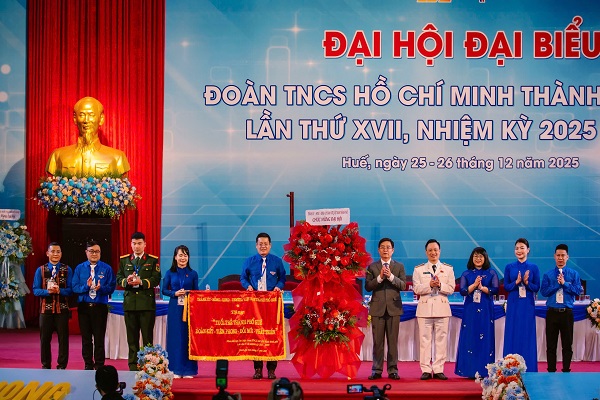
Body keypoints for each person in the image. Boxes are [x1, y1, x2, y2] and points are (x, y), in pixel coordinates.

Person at [46, 96, 130, 177]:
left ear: (101, 119)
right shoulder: (57, 155)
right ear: (75, 118)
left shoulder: (117, 157)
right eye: (82, 115)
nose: (86, 120)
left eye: (91, 115)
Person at [240, 232, 286, 380]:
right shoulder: (249, 261)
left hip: (272, 303)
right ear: (256, 245)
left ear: (270, 245)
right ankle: (258, 369)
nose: (263, 246)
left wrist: (278, 286)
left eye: (266, 244)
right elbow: (243, 278)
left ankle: (271, 369)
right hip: (256, 304)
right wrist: (247, 286)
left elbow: (282, 278)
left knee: (272, 335)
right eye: (260, 244)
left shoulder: (277, 261)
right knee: (257, 335)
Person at [117, 231, 161, 371]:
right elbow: (118, 278)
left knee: (147, 338)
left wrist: (141, 281)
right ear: (131, 244)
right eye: (134, 243)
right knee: (132, 339)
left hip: (146, 304)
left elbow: (156, 279)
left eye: (139, 243)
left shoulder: (152, 260)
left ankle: (148, 365)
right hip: (130, 305)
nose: (137, 246)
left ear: (145, 244)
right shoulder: (124, 260)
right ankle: (133, 366)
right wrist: (127, 281)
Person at [412, 239, 455, 380]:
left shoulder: (448, 269)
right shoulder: (419, 269)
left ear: (439, 251)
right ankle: (425, 369)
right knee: (424, 341)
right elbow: (416, 289)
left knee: (441, 340)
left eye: (435, 250)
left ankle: (438, 369)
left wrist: (440, 285)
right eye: (430, 250)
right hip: (424, 309)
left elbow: (451, 288)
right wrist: (429, 285)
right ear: (426, 252)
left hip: (442, 309)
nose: (433, 252)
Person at [364, 237, 406, 380]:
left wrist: (391, 277)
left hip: (394, 308)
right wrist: (380, 277)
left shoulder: (399, 266)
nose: (385, 250)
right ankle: (376, 370)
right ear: (378, 250)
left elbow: (403, 285)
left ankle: (393, 370)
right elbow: (368, 287)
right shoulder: (372, 267)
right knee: (378, 342)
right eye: (382, 247)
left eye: (388, 247)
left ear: (393, 250)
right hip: (377, 308)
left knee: (392, 341)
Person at [455, 247, 499, 378]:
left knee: (485, 337)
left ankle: (485, 370)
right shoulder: (466, 274)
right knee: (470, 337)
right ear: (471, 258)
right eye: (475, 256)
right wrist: (474, 285)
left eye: (480, 256)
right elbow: (463, 291)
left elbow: (495, 290)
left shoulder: (491, 273)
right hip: (471, 309)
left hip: (486, 309)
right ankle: (469, 370)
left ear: (485, 258)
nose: (478, 259)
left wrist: (482, 288)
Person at [72, 240, 116, 370]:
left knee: (99, 338)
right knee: (86, 339)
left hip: (100, 307)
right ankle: (88, 364)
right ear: (86, 252)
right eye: (91, 251)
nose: (94, 254)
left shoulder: (107, 268)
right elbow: (75, 287)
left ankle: (99, 365)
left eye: (97, 251)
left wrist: (101, 288)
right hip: (84, 307)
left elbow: (111, 287)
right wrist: (86, 287)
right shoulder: (80, 268)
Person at [540, 244, 582, 373]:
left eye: (563, 255)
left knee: (567, 344)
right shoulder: (548, 274)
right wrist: (557, 285)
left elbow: (578, 291)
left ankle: (566, 370)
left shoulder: (574, 274)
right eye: (558, 255)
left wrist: (565, 284)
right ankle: (551, 370)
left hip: (566, 313)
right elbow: (544, 292)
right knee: (551, 345)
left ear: (567, 257)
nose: (560, 258)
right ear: (554, 256)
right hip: (552, 313)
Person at [32, 242, 73, 370]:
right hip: (46, 310)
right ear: (47, 253)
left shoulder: (67, 269)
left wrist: (59, 291)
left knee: (63, 340)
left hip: (62, 310)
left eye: (58, 252)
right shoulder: (40, 270)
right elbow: (35, 290)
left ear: (61, 254)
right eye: (53, 251)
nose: (55, 254)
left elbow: (71, 290)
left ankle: (62, 365)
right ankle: (46, 365)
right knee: (44, 339)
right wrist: (48, 292)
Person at [503, 237, 540, 372]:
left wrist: (527, 283)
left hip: (527, 305)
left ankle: (529, 367)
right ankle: (510, 367)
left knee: (527, 333)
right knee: (512, 332)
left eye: (522, 248)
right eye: (517, 248)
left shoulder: (533, 267)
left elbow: (537, 287)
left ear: (528, 250)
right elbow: (506, 286)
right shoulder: (509, 267)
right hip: (514, 304)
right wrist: (517, 282)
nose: (519, 251)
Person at [162, 245, 199, 378]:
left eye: (185, 255)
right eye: (180, 255)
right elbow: (164, 290)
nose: (183, 258)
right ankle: (174, 369)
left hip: (189, 308)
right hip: (175, 308)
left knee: (187, 337)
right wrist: (174, 293)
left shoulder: (193, 273)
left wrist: (191, 293)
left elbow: (196, 291)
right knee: (175, 337)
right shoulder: (169, 273)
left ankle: (188, 370)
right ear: (175, 257)